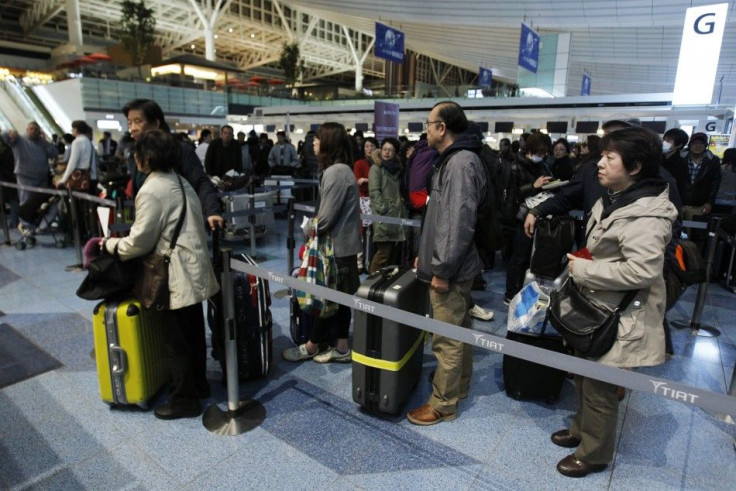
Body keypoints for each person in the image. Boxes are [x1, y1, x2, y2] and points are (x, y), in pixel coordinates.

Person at [551, 126, 677, 477]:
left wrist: (585, 271)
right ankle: (580, 430)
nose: (599, 165)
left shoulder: (647, 214)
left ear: (634, 167)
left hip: (621, 313)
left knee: (600, 388)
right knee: (582, 377)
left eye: (610, 158)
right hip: (596, 306)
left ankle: (594, 453)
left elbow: (643, 271)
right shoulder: (616, 197)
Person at [101, 130, 219, 420]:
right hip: (193, 270)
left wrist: (109, 244)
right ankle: (199, 385)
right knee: (193, 334)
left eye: (137, 154)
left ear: (147, 157)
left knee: (176, 341)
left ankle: (183, 401)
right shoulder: (181, 181)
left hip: (173, 277)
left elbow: (139, 242)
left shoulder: (153, 189)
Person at [407, 101, 486, 425]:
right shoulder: (453, 161)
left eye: (428, 123)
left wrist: (442, 269)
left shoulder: (460, 164)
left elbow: (458, 223)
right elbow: (441, 218)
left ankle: (443, 403)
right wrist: (426, 255)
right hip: (449, 263)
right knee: (459, 330)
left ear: (442, 128)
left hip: (451, 270)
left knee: (446, 337)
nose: (425, 129)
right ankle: (457, 386)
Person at [282, 122, 361, 364]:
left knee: (324, 298)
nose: (313, 143)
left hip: (336, 249)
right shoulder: (342, 170)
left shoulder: (335, 172)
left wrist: (309, 228)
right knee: (340, 298)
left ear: (328, 142)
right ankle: (340, 346)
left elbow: (325, 218)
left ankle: (313, 345)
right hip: (343, 247)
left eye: (317, 139)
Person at [122, 99, 224, 230]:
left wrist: (212, 211)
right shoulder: (135, 155)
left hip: (178, 227)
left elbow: (200, 182)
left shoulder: (179, 150)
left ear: (155, 123)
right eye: (129, 123)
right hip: (149, 226)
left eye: (137, 121)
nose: (132, 129)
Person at [504, 131, 553, 304]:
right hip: (521, 216)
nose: (542, 156)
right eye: (540, 152)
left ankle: (524, 290)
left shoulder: (543, 165)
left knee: (530, 258)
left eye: (545, 153)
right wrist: (534, 185)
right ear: (531, 149)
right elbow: (512, 194)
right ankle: (510, 293)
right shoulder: (516, 165)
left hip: (538, 214)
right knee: (518, 256)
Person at [368, 137, 407, 273]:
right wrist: (382, 209)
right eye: (385, 149)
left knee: (390, 255)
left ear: (395, 152)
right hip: (383, 216)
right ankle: (371, 282)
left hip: (395, 215)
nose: (386, 152)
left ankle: (381, 283)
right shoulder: (376, 168)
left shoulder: (397, 168)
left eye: (390, 150)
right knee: (383, 253)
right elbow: (374, 191)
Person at [1, 121, 59, 206]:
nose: (34, 131)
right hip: (25, 178)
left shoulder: (43, 143)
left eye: (36, 129)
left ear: (39, 131)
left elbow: (55, 153)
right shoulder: (18, 139)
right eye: (31, 129)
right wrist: (11, 132)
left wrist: (45, 141)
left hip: (41, 179)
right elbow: (3, 136)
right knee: (26, 203)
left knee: (41, 203)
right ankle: (24, 220)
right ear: (27, 129)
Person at [681, 132, 721, 222]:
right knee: (673, 231)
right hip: (679, 202)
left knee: (694, 232)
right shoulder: (680, 158)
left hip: (699, 205)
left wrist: (709, 202)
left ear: (706, 146)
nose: (698, 146)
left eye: (701, 143)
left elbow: (715, 182)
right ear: (690, 145)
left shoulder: (713, 161)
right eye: (695, 143)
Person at [56, 120, 94, 188]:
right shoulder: (87, 141)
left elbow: (72, 163)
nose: (72, 130)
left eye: (73, 129)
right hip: (85, 174)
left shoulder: (77, 142)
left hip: (77, 175)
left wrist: (63, 180)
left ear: (76, 129)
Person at [661, 128, 690, 202]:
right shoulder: (657, 158)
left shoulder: (681, 163)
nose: (664, 142)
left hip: (671, 200)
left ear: (679, 145)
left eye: (668, 141)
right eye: (664, 140)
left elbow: (681, 186)